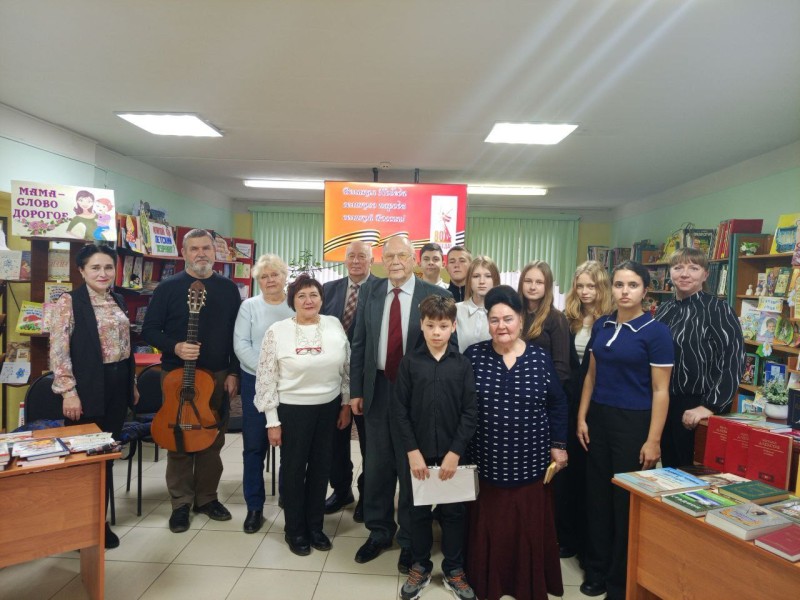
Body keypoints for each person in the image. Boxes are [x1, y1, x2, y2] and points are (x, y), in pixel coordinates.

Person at [350, 235, 454, 573]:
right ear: (382, 260)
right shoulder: (370, 291)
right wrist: (356, 390)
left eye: (402, 256)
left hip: (417, 393)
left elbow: (446, 348)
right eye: (390, 256)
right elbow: (359, 343)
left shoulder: (435, 294)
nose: (395, 261)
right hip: (378, 388)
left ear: (413, 260)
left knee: (412, 467)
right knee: (377, 465)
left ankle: (410, 539)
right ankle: (379, 531)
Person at [576, 261, 673, 600]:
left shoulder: (656, 332)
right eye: (619, 285)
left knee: (624, 503)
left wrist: (653, 440)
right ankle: (596, 570)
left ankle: (619, 582)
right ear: (612, 288)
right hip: (599, 419)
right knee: (597, 498)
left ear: (645, 290)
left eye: (633, 285)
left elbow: (661, 391)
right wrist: (582, 417)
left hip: (634, 424)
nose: (625, 291)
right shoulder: (602, 325)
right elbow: (591, 376)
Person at [464, 285, 568, 600]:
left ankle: (527, 583)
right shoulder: (473, 356)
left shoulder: (539, 358)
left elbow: (557, 403)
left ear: (521, 320)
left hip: (531, 464)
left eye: (508, 319)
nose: (501, 326)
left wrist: (558, 444)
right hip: (487, 463)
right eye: (494, 320)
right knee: (492, 526)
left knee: (527, 528)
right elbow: (462, 407)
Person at [142, 229, 241, 533]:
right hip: (176, 375)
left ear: (215, 252)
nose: (201, 254)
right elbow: (149, 330)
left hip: (217, 374)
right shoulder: (167, 288)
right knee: (179, 438)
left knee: (212, 439)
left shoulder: (228, 289)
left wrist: (234, 372)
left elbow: (237, 335)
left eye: (206, 248)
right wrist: (175, 347)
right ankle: (181, 503)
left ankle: (207, 498)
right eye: (194, 248)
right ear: (183, 253)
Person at [254, 275, 351, 556]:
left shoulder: (333, 324)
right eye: (301, 296)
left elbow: (346, 367)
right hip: (292, 410)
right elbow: (266, 378)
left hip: (328, 409)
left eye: (314, 295)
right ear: (292, 301)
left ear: (321, 299)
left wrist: (345, 404)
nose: (309, 301)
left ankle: (315, 527)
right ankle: (295, 530)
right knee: (294, 471)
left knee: (321, 469)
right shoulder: (277, 331)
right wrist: (272, 421)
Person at [49, 243, 136, 549]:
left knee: (106, 457)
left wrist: (132, 384)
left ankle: (99, 522)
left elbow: (125, 346)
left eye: (108, 267)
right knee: (84, 461)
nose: (103, 273)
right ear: (82, 271)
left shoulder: (117, 299)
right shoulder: (68, 303)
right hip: (86, 390)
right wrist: (68, 393)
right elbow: (59, 352)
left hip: (117, 387)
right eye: (95, 267)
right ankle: (79, 526)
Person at [392, 295, 478, 600]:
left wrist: (455, 452)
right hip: (418, 453)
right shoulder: (410, 363)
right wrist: (412, 451)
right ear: (422, 326)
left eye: (443, 326)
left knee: (453, 512)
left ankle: (454, 569)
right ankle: (420, 565)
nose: (437, 332)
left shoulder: (462, 364)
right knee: (417, 512)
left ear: (453, 326)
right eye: (431, 326)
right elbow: (400, 411)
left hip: (454, 454)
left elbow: (470, 412)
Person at [655, 248, 744, 468]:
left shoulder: (718, 309)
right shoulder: (664, 310)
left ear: (705, 275)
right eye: (678, 267)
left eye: (693, 268)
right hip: (663, 402)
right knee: (668, 472)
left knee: (693, 474)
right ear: (670, 273)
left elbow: (733, 360)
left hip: (698, 407)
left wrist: (709, 406)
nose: (685, 274)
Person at [554, 261, 612, 560]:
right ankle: (567, 535)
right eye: (580, 286)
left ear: (602, 287)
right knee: (569, 471)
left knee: (593, 472)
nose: (585, 291)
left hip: (599, 402)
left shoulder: (612, 320)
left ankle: (591, 540)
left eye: (591, 286)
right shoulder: (568, 319)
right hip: (569, 400)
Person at [233, 254, 294, 533]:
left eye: (275, 275)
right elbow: (241, 345)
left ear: (284, 276)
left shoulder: (295, 304)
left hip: (290, 384)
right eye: (264, 276)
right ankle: (254, 506)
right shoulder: (249, 306)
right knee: (255, 446)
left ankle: (287, 497)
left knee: (290, 446)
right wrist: (267, 371)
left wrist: (283, 373)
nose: (270, 280)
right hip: (255, 381)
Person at [322, 240, 374, 522]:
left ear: (371, 260)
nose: (356, 261)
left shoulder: (381, 289)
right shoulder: (328, 289)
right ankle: (342, 490)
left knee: (370, 443)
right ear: (344, 260)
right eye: (351, 256)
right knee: (335, 440)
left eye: (362, 256)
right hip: (334, 378)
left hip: (367, 380)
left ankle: (367, 496)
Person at [518, 261, 570, 384]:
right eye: (528, 281)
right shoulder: (513, 314)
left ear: (547, 286)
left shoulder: (557, 318)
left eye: (539, 282)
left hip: (544, 387)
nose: (532, 287)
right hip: (516, 384)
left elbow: (561, 369)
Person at [455, 256, 500, 353]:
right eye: (476, 276)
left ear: (495, 280)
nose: (482, 281)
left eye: (488, 276)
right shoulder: (456, 310)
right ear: (469, 280)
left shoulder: (502, 313)